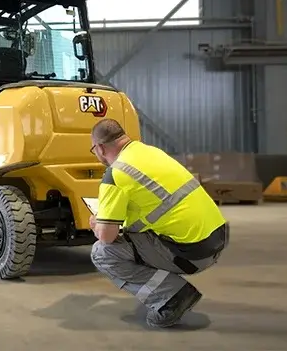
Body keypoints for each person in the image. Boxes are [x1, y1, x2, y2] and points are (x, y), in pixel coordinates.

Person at [88, 118, 229, 328]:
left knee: (103, 252)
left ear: (99, 148)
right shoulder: (151, 152)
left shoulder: (115, 174)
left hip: (191, 255)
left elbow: (107, 237)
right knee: (128, 238)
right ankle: (169, 290)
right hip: (216, 238)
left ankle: (172, 297)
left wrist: (97, 224)